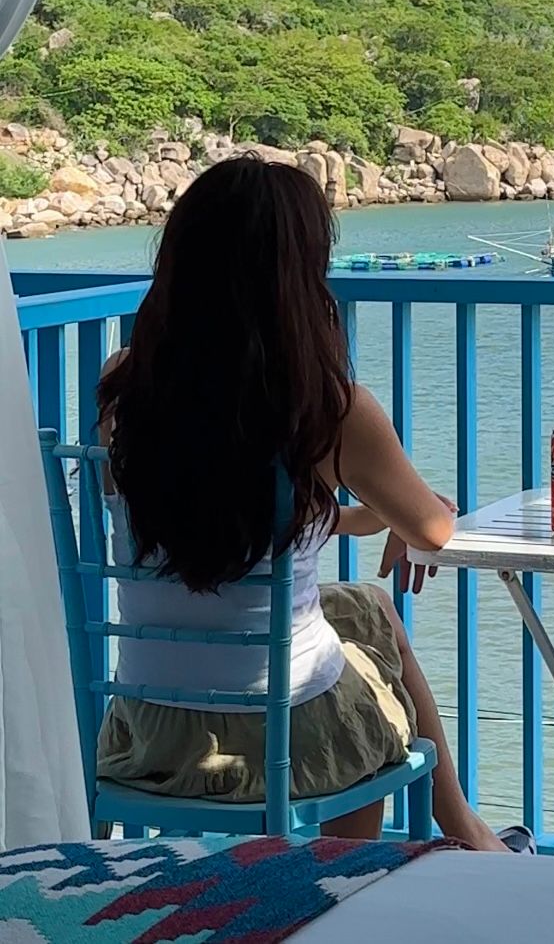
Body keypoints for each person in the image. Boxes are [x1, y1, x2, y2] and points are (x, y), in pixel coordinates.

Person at [97, 155, 528, 850]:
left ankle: (463, 828)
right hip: (280, 735)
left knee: (366, 606)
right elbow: (433, 530)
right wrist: (410, 513)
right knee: (369, 651)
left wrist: (360, 517)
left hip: (148, 731)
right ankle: (365, 864)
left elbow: (220, 520)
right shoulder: (326, 408)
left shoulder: (124, 387)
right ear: (300, 274)